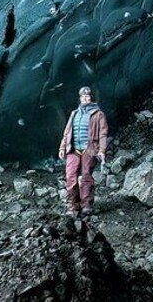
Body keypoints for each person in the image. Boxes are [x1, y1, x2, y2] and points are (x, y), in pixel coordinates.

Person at [58, 86, 108, 216]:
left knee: (86, 176)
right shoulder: (74, 113)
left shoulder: (98, 114)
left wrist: (102, 150)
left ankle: (86, 205)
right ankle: (72, 206)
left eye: (87, 96)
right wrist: (62, 147)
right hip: (73, 148)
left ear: (91, 98)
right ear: (80, 98)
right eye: (83, 96)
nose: (85, 98)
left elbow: (103, 133)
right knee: (70, 176)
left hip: (89, 149)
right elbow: (67, 132)